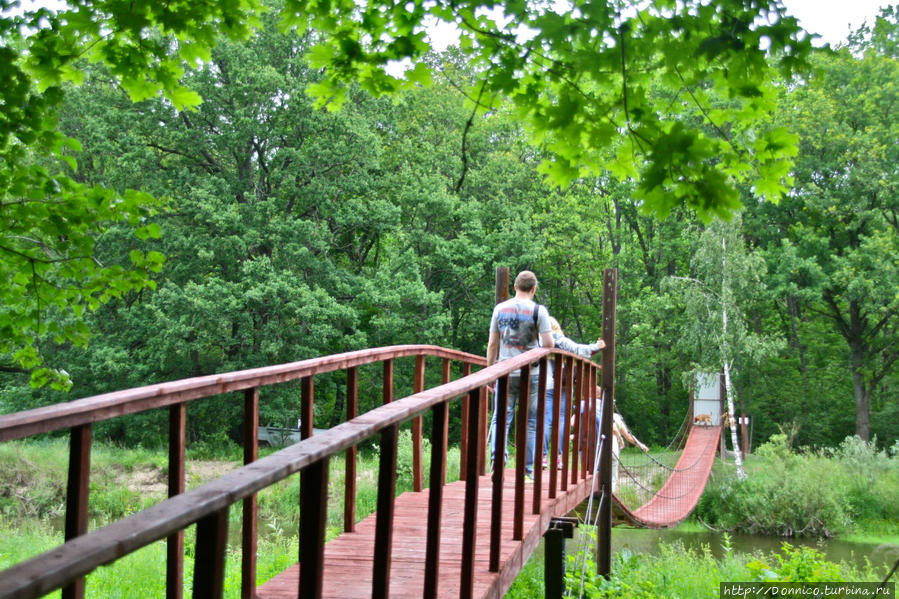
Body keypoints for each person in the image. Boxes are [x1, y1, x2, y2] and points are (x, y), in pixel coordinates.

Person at [487, 270, 554, 477]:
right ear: (533, 289)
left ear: (515, 287)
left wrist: (490, 372)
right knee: (531, 421)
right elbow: (549, 344)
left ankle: (497, 460)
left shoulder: (500, 309)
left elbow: (492, 344)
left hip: (505, 373)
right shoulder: (539, 311)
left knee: (501, 417)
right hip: (531, 374)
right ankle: (526, 469)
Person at [542, 317, 604, 468]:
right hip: (563, 384)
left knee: (544, 419)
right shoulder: (560, 339)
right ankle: (559, 457)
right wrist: (597, 346)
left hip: (543, 384)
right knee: (562, 420)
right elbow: (578, 350)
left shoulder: (537, 340)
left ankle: (542, 457)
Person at [610, 400, 648, 492]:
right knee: (612, 479)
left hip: (592, 452)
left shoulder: (592, 411)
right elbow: (628, 436)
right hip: (611, 452)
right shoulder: (615, 417)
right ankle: (610, 496)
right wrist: (640, 445)